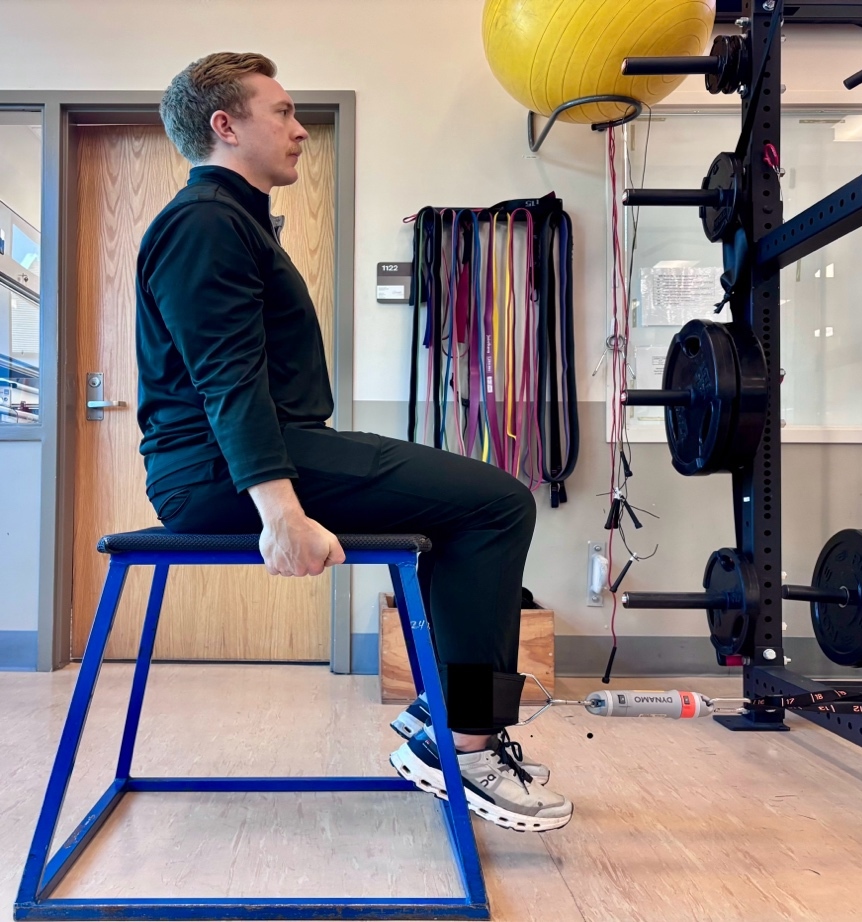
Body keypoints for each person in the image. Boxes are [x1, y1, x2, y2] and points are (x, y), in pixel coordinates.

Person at [137, 51, 572, 832]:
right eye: (283, 113)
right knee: (498, 505)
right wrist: (279, 512)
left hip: (259, 450)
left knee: (468, 508)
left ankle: (441, 718)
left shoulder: (228, 219)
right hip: (220, 471)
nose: (300, 130)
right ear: (225, 125)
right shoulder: (204, 222)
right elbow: (225, 378)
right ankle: (465, 744)